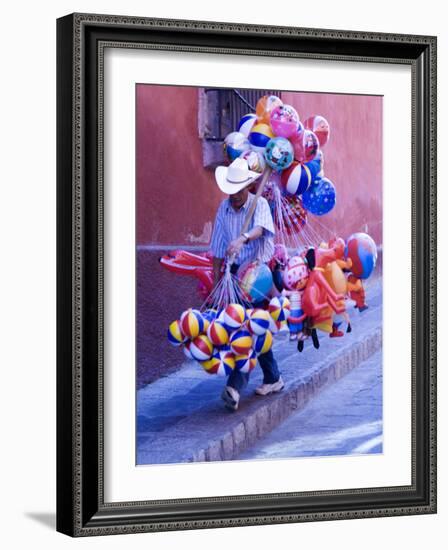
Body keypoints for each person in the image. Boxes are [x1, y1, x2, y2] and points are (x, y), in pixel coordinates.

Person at [210, 157, 284, 411]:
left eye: (239, 190)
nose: (234, 196)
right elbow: (218, 249)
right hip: (234, 279)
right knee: (256, 328)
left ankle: (234, 387)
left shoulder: (259, 203)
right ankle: (274, 377)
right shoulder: (224, 209)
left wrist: (243, 238)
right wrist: (215, 282)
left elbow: (262, 230)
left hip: (258, 277)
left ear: (248, 187)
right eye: (230, 190)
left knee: (246, 331)